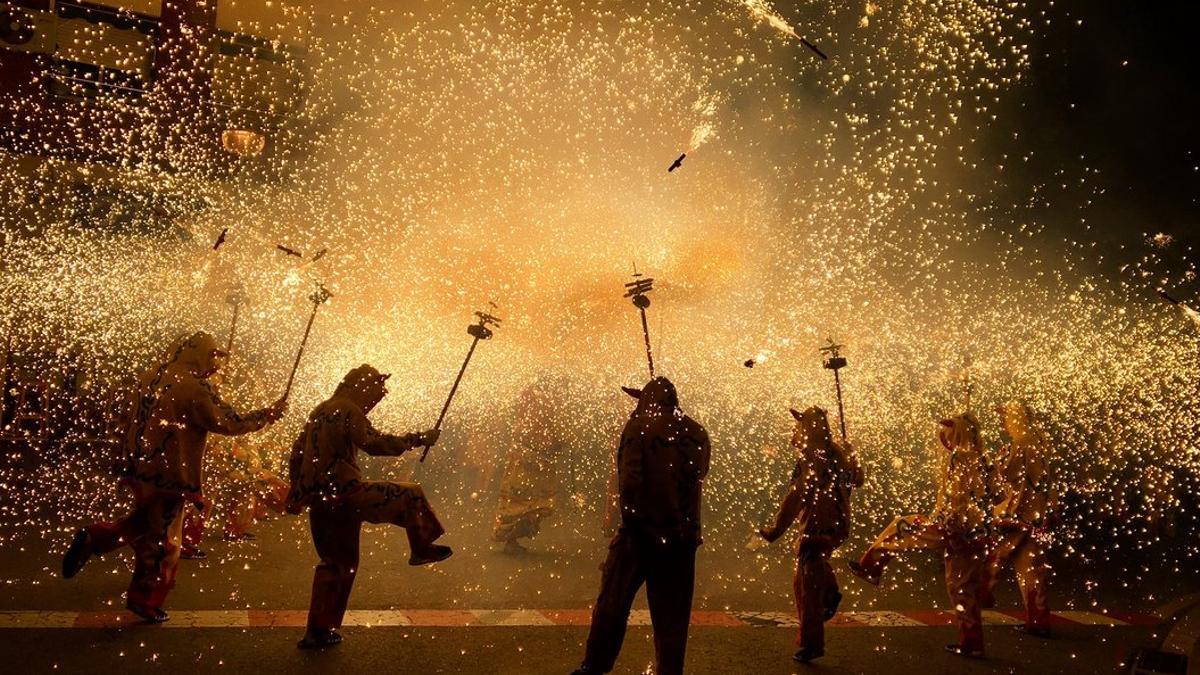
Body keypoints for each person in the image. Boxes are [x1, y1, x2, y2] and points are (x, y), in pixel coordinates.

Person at [61, 332, 287, 622]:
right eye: (211, 356)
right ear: (195, 354)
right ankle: (145, 599)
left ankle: (96, 537)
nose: (214, 364)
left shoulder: (151, 375)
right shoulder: (193, 388)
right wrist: (266, 415)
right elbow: (228, 422)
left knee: (143, 522)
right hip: (168, 474)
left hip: (138, 467)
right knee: (163, 542)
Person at [287, 364, 450, 649]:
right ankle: (421, 547)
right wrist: (417, 438)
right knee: (411, 495)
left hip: (320, 498)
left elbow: (298, 451)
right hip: (347, 494)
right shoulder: (349, 409)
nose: (375, 400)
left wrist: (297, 490)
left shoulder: (321, 409)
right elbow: (373, 443)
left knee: (336, 565)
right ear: (360, 387)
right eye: (374, 392)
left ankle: (318, 631)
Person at [572, 377, 711, 675]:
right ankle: (669, 671)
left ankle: (595, 666)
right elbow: (699, 477)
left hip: (641, 535)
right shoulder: (698, 432)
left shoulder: (638, 428)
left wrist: (629, 529)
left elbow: (630, 483)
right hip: (682, 538)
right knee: (673, 616)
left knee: (612, 604)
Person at [852, 413, 994, 658]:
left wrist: (951, 526)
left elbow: (957, 497)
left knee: (902, 527)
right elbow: (995, 495)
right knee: (962, 587)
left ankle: (872, 566)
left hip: (954, 528)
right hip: (979, 531)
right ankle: (973, 642)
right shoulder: (984, 459)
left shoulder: (959, 458)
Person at [755, 407, 863, 663]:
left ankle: (812, 643)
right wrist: (852, 455)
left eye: (798, 426)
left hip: (816, 529)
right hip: (838, 526)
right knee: (805, 579)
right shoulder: (839, 454)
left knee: (807, 590)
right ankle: (828, 588)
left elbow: (795, 498)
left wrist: (775, 530)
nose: (794, 431)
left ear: (808, 430)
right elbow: (858, 479)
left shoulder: (810, 460)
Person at [981, 401, 1056, 637]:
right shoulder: (1042, 442)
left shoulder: (1022, 444)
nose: (1004, 423)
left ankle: (979, 598)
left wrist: (992, 463)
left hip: (1018, 515)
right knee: (1032, 570)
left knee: (993, 555)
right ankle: (1038, 620)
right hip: (1038, 514)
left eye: (1006, 418)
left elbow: (1008, 474)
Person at [493, 382, 561, 553]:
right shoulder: (524, 422)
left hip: (536, 472)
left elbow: (553, 440)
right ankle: (511, 541)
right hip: (523, 472)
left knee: (533, 507)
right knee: (520, 507)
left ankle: (513, 541)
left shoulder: (543, 420)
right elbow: (522, 442)